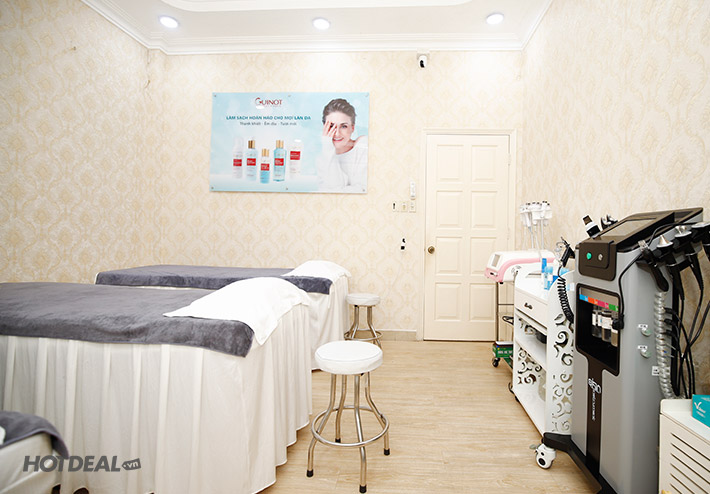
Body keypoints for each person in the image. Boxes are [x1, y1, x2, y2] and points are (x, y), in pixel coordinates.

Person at [317, 98, 368, 192]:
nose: (337, 133)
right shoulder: (323, 157)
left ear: (352, 128)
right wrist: (327, 147)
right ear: (324, 128)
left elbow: (362, 190)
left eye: (343, 126)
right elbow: (332, 189)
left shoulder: (363, 145)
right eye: (331, 126)